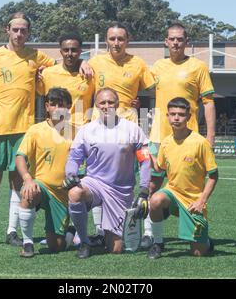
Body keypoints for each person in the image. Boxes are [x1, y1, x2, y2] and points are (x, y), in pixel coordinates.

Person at [0, 12, 85, 247]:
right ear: (7, 30)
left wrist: (85, 62)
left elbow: (65, 63)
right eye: (16, 29)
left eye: (24, 30)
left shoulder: (36, 56)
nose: (19, 34)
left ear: (28, 33)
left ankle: (12, 232)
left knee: (17, 182)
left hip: (24, 127)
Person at [142, 22, 216, 249]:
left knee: (189, 187)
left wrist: (210, 137)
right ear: (165, 42)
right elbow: (138, 85)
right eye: (171, 39)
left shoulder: (198, 66)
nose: (175, 42)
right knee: (152, 187)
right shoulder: (157, 67)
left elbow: (209, 102)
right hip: (159, 137)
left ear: (187, 42)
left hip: (188, 138)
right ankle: (153, 237)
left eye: (180, 39)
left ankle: (195, 226)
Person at [87, 22, 156, 243]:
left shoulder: (138, 63)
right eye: (112, 38)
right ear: (106, 40)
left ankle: (145, 232)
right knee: (96, 178)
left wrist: (140, 104)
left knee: (138, 178)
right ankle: (100, 231)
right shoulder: (94, 62)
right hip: (101, 130)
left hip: (130, 129)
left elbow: (152, 89)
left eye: (121, 39)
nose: (116, 43)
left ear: (127, 41)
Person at [63, 88, 151, 259]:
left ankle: (99, 237)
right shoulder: (86, 130)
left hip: (120, 190)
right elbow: (74, 158)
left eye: (110, 102)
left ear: (117, 104)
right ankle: (83, 241)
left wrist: (144, 190)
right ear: (96, 105)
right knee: (75, 192)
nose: (106, 106)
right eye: (102, 102)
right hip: (94, 183)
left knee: (116, 249)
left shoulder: (133, 129)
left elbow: (145, 160)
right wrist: (71, 174)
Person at [148, 97, 218, 259]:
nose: (176, 118)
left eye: (181, 114)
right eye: (173, 114)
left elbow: (214, 176)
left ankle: (206, 241)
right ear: (167, 116)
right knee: (156, 200)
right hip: (172, 194)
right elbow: (160, 168)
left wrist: (202, 201)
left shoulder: (200, 143)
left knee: (198, 253)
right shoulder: (165, 143)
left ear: (189, 117)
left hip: (194, 202)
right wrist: (147, 158)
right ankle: (158, 243)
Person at [15, 88, 76, 257]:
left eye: (62, 105)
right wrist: (27, 179)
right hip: (40, 186)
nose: (57, 108)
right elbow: (20, 157)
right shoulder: (36, 130)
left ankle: (70, 231)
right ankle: (27, 243)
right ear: (47, 107)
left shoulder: (77, 132)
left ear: (69, 107)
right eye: (53, 104)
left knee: (56, 246)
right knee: (28, 192)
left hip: (62, 194)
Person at [37, 33, 95, 129]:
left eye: (74, 50)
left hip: (80, 131)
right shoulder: (47, 73)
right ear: (61, 52)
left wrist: (82, 62)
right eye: (66, 50)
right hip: (55, 130)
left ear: (80, 51)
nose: (69, 54)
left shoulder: (90, 75)